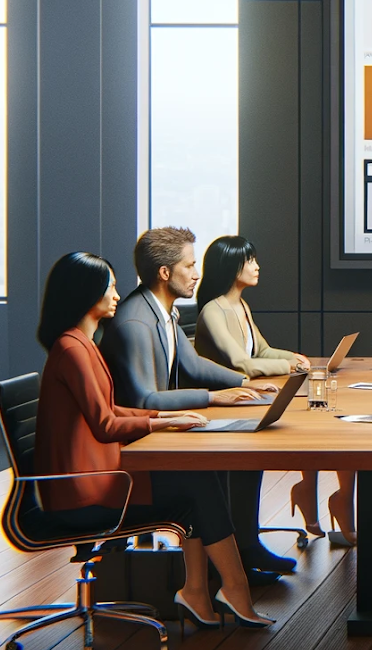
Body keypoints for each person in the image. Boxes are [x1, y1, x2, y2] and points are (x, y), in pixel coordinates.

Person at [34, 252, 272, 629]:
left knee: (197, 481)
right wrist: (160, 423)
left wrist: (165, 417)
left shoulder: (82, 344)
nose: (116, 294)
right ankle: (234, 588)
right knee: (198, 482)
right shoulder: (73, 350)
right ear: (85, 293)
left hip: (94, 476)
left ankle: (200, 590)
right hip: (80, 490)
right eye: (108, 286)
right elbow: (106, 425)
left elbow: (111, 410)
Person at [99, 226, 293, 580]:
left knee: (249, 450)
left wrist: (244, 384)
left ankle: (245, 548)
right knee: (227, 458)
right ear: (165, 273)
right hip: (138, 447)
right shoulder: (136, 322)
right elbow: (145, 398)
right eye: (189, 266)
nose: (197, 273)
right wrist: (214, 397)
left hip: (164, 431)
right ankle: (229, 568)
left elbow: (192, 364)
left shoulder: (163, 310)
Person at [195, 235, 356, 547]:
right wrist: (292, 369)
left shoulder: (239, 305)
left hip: (251, 397)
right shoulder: (214, 311)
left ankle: (302, 499)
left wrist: (293, 358)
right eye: (250, 261)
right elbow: (241, 362)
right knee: (309, 418)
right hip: (227, 403)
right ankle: (255, 537)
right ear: (231, 267)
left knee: (321, 421)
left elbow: (263, 351)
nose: (257, 267)